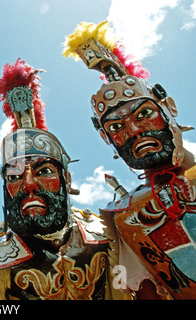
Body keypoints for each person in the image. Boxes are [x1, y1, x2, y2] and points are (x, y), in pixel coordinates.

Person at [0, 59, 130, 300]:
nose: (29, 184)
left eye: (43, 171)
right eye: (14, 176)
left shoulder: (105, 234)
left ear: (67, 179)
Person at [63, 21, 196, 299]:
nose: (134, 131)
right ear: (106, 139)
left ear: (169, 108)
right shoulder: (125, 216)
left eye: (143, 114)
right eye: (115, 127)